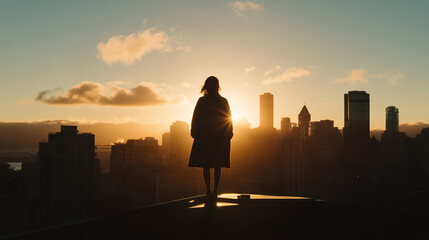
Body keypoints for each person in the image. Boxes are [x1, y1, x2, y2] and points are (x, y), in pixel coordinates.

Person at [188, 76, 233, 206]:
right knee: (212, 165)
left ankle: (211, 190)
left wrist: (228, 133)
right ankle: (211, 190)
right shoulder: (216, 101)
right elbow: (228, 117)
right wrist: (228, 133)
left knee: (210, 165)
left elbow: (228, 118)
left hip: (212, 137)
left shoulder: (208, 101)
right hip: (212, 137)